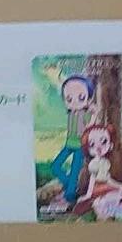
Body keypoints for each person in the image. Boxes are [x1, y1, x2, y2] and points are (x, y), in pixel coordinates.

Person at [50, 75, 99, 205]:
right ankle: (69, 183)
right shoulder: (71, 113)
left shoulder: (85, 114)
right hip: (69, 145)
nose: (75, 102)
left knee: (74, 170)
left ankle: (70, 195)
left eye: (81, 98)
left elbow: (90, 127)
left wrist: (94, 114)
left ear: (89, 99)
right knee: (55, 166)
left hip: (80, 147)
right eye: (69, 99)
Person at [73, 123, 122, 220]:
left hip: (106, 185)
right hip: (97, 187)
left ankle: (103, 203)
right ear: (87, 149)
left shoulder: (106, 163)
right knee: (115, 194)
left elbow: (108, 179)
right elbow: (92, 179)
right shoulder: (93, 164)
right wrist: (88, 195)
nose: (98, 147)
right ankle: (97, 203)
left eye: (104, 141)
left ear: (110, 145)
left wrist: (119, 185)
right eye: (92, 144)